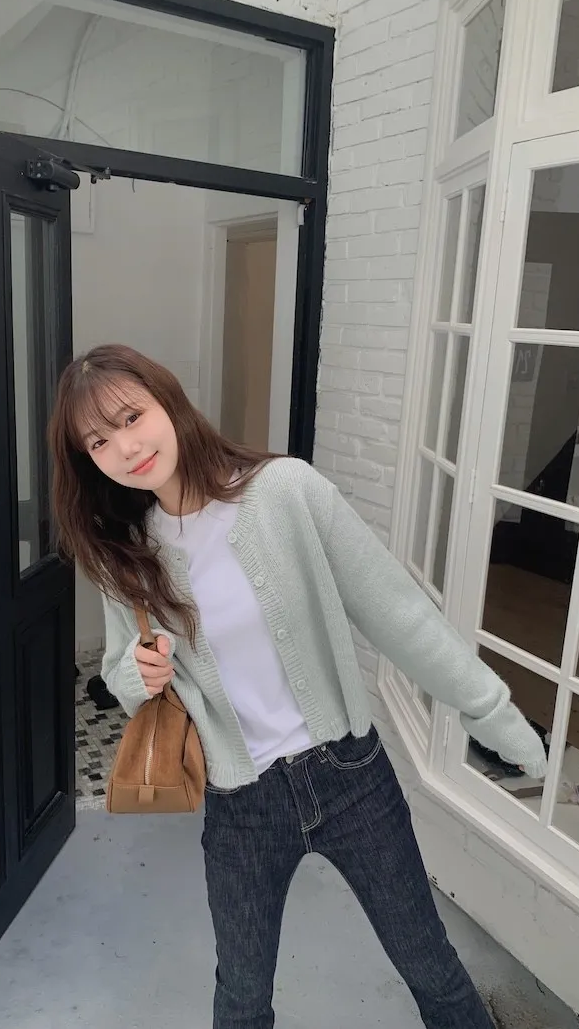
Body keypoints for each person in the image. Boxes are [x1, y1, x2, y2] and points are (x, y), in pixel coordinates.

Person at [49, 343, 547, 1029]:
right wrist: (140, 672)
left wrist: (490, 710)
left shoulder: (285, 491)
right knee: (242, 997)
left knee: (431, 967)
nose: (126, 448)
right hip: (241, 800)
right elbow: (119, 673)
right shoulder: (126, 555)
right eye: (99, 441)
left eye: (132, 417)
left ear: (168, 401)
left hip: (351, 776)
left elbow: (396, 610)